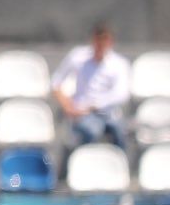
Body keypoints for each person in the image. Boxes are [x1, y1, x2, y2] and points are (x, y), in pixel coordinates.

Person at [51, 22, 131, 151]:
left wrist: (95, 105)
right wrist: (69, 107)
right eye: (98, 39)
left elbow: (122, 94)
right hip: (82, 114)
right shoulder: (77, 57)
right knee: (92, 131)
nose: (100, 44)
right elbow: (56, 82)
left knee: (120, 132)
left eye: (104, 40)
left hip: (109, 114)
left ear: (110, 41)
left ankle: (120, 165)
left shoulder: (119, 64)